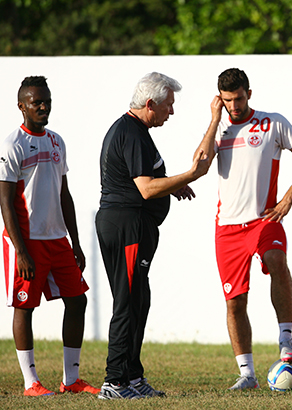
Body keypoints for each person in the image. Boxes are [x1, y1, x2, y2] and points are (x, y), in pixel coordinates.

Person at [196, 68, 292, 390]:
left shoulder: (273, 122)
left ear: (249, 93)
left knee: (278, 261)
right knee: (235, 302)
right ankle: (247, 374)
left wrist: (287, 199)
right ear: (220, 100)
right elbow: (201, 163)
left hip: (265, 220)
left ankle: (286, 340)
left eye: (238, 98)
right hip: (227, 229)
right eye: (227, 100)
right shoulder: (219, 127)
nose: (234, 106)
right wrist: (213, 120)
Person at [96, 72, 211, 399]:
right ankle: (114, 382)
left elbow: (146, 181)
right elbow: (146, 189)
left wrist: (173, 186)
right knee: (127, 301)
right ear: (150, 104)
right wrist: (189, 174)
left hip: (134, 226)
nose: (171, 112)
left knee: (139, 301)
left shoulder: (136, 130)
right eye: (168, 105)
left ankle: (132, 378)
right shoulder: (130, 132)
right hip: (126, 225)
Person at [0, 76, 99, 396]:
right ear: (22, 106)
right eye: (36, 102)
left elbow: (64, 194)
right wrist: (21, 250)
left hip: (57, 240)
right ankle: (31, 383)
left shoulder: (57, 141)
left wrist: (76, 242)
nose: (43, 107)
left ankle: (71, 380)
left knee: (78, 301)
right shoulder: (11, 144)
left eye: (47, 101)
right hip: (26, 240)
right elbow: (5, 202)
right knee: (25, 307)